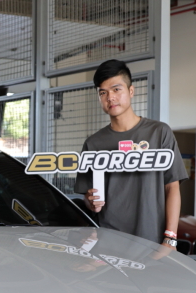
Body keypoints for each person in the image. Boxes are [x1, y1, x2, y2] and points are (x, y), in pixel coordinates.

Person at [75, 60, 187, 247]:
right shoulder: (93, 143)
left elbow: (172, 187)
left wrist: (170, 238)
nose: (110, 97)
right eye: (103, 92)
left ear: (131, 91)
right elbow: (87, 197)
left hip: (152, 241)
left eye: (116, 89)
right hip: (109, 242)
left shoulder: (159, 133)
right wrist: (90, 201)